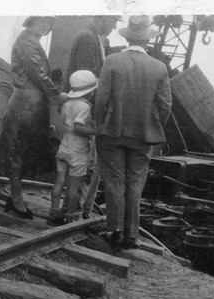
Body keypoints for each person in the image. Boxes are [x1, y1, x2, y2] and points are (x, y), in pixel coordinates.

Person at [93, 15, 172, 249]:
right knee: (135, 184)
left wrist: (99, 123)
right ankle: (131, 235)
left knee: (114, 181)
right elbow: (166, 105)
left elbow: (102, 98)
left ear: (128, 39)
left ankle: (115, 231)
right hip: (144, 137)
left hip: (112, 133)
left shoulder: (112, 61)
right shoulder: (159, 67)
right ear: (148, 41)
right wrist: (154, 124)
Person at [0, 16, 65, 218]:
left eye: (49, 23)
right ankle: (15, 199)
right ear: (31, 22)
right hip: (26, 104)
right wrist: (57, 96)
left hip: (31, 103)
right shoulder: (26, 42)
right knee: (18, 151)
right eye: (42, 21)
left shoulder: (31, 41)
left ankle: (15, 197)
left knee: (21, 150)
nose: (46, 26)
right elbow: (38, 73)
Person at [64, 15, 121, 219]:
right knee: (87, 163)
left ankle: (78, 210)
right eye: (112, 21)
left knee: (86, 165)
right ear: (100, 19)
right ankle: (78, 212)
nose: (114, 26)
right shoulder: (88, 37)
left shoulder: (98, 38)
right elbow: (89, 75)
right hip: (87, 107)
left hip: (88, 105)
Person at [47, 70, 99, 226]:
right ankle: (70, 216)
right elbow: (78, 127)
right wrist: (96, 131)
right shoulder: (85, 107)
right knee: (73, 186)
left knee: (59, 182)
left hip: (64, 147)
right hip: (78, 151)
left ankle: (53, 212)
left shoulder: (66, 104)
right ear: (90, 92)